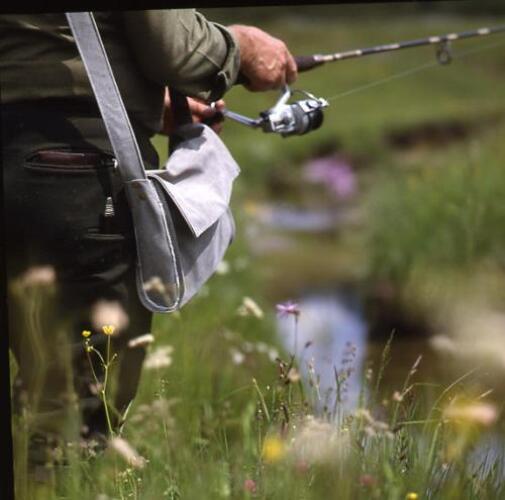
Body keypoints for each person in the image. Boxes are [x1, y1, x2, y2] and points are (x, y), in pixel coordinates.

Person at [0, 9, 298, 472]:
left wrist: (138, 101)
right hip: (71, 170)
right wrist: (241, 48)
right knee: (72, 422)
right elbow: (172, 46)